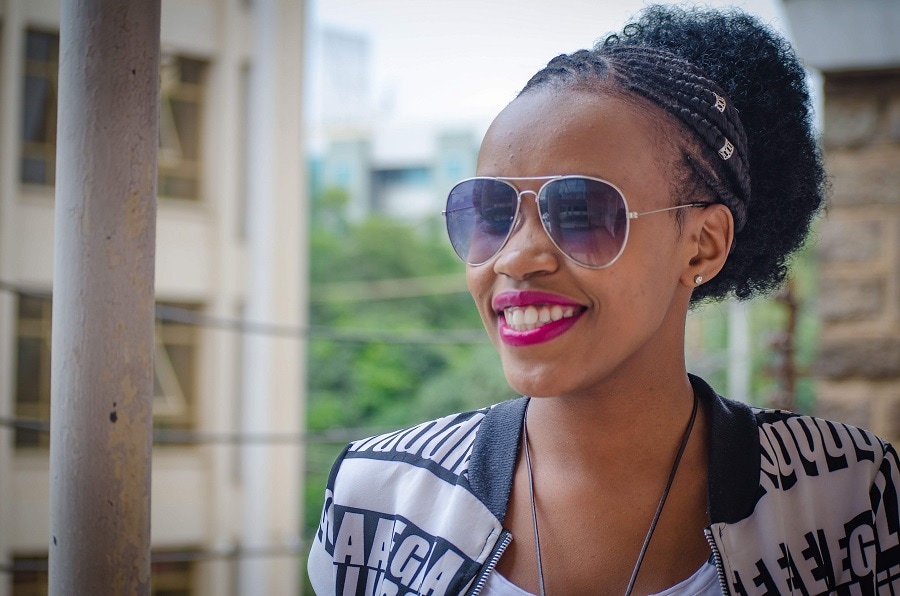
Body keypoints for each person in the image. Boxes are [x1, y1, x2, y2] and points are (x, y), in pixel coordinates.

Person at [307, 5, 900, 595]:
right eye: (489, 213)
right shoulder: (378, 501)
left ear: (701, 246)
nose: (515, 258)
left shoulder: (848, 497)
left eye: (581, 212)